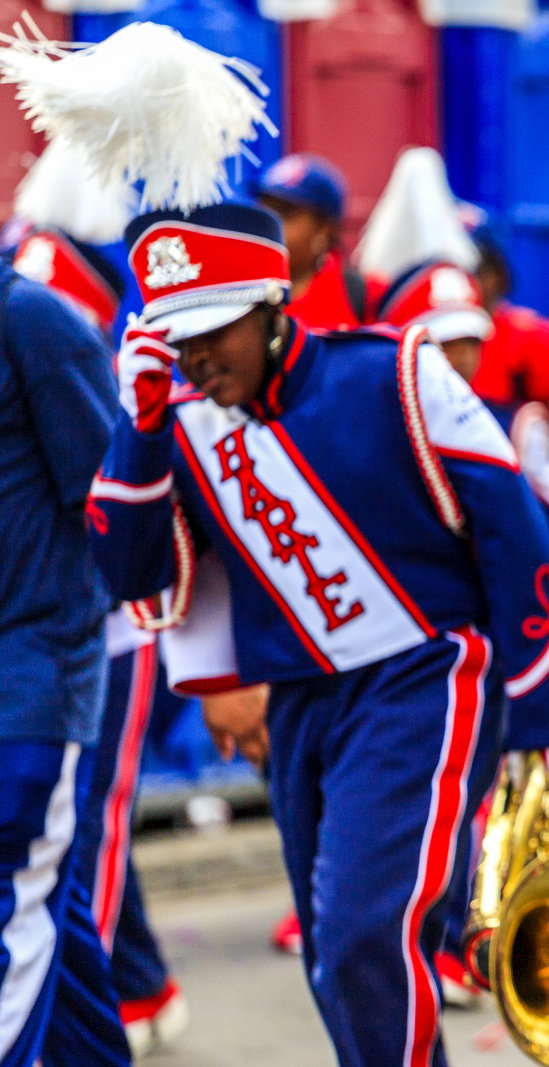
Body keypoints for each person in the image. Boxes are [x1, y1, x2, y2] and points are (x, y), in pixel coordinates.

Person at [89, 187, 549, 1064]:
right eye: (178, 337)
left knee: (363, 933)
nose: (196, 357)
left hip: (425, 676)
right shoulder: (185, 424)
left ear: (273, 307)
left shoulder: (395, 370)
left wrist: (538, 706)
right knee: (335, 955)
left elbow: (510, 523)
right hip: (303, 702)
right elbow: (127, 571)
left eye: (214, 330)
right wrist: (141, 423)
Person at [8, 144, 192, 1054]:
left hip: (95, 630)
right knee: (60, 866)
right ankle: (126, 1006)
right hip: (51, 627)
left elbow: (113, 495)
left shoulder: (64, 326)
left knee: (84, 838)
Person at [0, 191, 129, 1066]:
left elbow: (117, 502)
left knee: (16, 908)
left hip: (31, 685)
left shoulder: (37, 325)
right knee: (46, 903)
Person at [459, 205, 549, 431]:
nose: (460, 278)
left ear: (497, 274)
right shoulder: (423, 335)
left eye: (470, 268)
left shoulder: (532, 336)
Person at [255, 153, 366, 330]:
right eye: (264, 212)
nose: (269, 223)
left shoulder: (364, 296)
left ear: (324, 228)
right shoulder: (240, 292)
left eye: (284, 214)